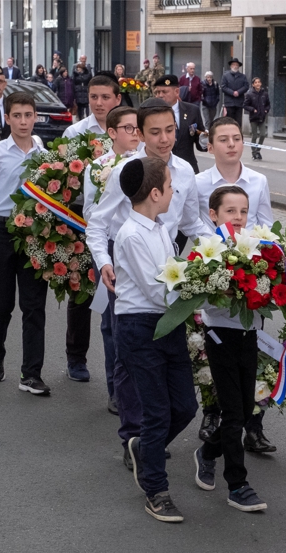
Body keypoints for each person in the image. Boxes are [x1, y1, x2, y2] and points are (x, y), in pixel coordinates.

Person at [86, 99, 212, 474]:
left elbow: (193, 223)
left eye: (170, 131)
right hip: (127, 260)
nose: (164, 139)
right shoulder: (128, 170)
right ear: (138, 134)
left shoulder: (185, 172)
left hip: (167, 263)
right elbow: (96, 224)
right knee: (129, 354)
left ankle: (151, 437)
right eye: (154, 132)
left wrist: (227, 248)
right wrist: (104, 263)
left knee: (163, 356)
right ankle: (133, 435)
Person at [112, 156, 199, 522]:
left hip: (170, 323)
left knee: (185, 407)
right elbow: (155, 289)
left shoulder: (161, 226)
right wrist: (198, 289)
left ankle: (142, 450)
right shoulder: (130, 235)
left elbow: (172, 272)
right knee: (157, 412)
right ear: (154, 193)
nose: (174, 190)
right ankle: (156, 490)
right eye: (169, 185)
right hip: (139, 326)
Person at [0, 90, 52, 396]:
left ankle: (31, 373)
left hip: (33, 233)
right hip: (1, 231)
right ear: (7, 118)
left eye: (29, 115)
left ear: (35, 117)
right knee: (1, 304)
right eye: (17, 115)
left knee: (34, 305)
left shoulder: (41, 150)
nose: (24, 122)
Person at [192, 184, 268, 512]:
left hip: (248, 334)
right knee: (234, 412)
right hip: (219, 333)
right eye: (230, 211)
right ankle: (237, 483)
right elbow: (199, 291)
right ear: (213, 215)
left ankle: (207, 452)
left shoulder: (257, 246)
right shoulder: (207, 248)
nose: (238, 217)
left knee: (245, 405)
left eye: (243, 211)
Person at [63, 74, 123, 383]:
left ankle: (120, 369)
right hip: (81, 222)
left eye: (104, 97)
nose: (98, 103)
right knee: (82, 291)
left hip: (118, 228)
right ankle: (76, 356)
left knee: (115, 299)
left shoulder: (129, 132)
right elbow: (61, 178)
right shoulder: (75, 132)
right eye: (93, 96)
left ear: (118, 100)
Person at [83, 105, 140, 416]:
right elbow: (93, 213)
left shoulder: (147, 162)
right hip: (110, 246)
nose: (134, 134)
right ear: (112, 132)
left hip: (141, 247)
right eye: (128, 128)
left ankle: (137, 385)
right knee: (111, 322)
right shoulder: (99, 167)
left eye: (137, 128)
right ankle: (115, 388)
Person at [153, 74, 205, 174]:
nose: (160, 95)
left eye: (164, 92)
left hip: (187, 168)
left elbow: (200, 141)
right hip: (160, 169)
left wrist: (205, 140)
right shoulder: (151, 113)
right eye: (158, 92)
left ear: (177, 92)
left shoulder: (192, 110)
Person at [243, 76, 268, 160]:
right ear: (253, 85)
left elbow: (268, 104)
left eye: (259, 82)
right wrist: (252, 109)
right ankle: (254, 152)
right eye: (256, 82)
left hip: (262, 117)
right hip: (253, 118)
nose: (257, 84)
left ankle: (258, 150)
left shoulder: (264, 93)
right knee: (255, 135)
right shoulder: (249, 94)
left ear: (261, 83)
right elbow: (245, 105)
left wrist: (266, 110)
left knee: (263, 134)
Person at [220, 57, 248, 125]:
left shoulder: (243, 76)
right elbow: (223, 87)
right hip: (229, 102)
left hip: (239, 102)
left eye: (236, 65)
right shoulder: (225, 76)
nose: (235, 66)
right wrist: (232, 92)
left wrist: (238, 92)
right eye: (233, 65)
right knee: (229, 121)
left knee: (238, 122)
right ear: (231, 66)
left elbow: (246, 86)